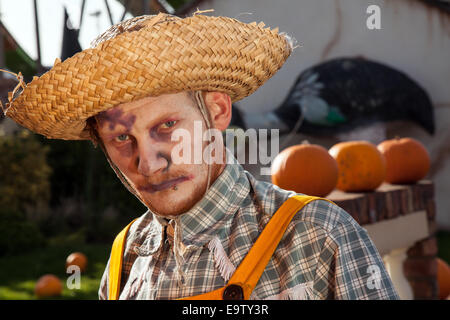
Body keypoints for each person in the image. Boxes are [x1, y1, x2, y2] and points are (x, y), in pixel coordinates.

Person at [3, 12, 399, 300]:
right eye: (122, 137)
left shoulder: (318, 235)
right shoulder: (125, 258)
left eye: (166, 127)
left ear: (218, 112)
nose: (150, 163)